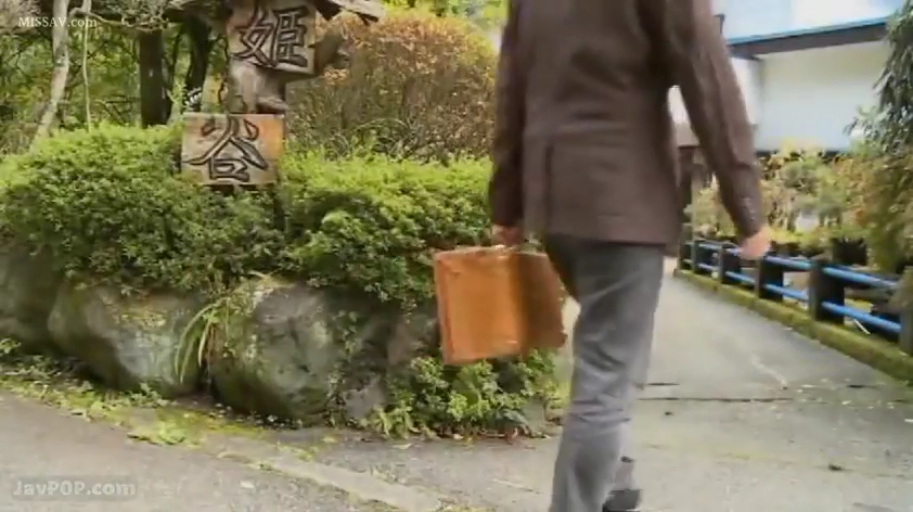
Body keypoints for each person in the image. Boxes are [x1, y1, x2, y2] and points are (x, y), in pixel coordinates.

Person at [487, 1, 772, 511]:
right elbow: (709, 84)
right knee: (607, 379)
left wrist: (506, 205)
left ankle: (617, 483)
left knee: (602, 358)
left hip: (553, 204)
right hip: (624, 206)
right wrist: (747, 210)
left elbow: (511, 93)